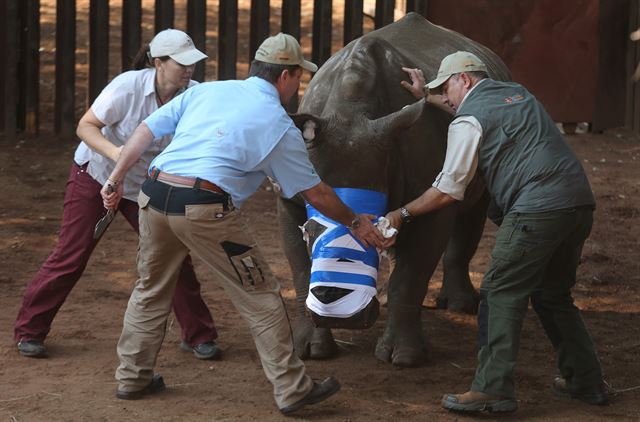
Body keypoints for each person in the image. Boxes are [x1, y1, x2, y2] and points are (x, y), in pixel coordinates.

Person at [100, 32, 387, 413]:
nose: (298, 85)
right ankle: (292, 389)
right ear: (285, 76)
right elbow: (315, 194)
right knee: (260, 295)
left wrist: (116, 177)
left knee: (150, 288)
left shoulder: (208, 91)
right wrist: (356, 222)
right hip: (204, 207)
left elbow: (146, 131)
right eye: (298, 77)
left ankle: (132, 376)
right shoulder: (279, 124)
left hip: (154, 194)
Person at [387, 51, 608, 413]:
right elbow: (477, 112)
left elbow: (448, 190)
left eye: (447, 87)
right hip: (577, 204)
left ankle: (492, 389)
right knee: (553, 294)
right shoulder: (518, 94)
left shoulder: (466, 121)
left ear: (465, 80)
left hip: (535, 208)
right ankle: (586, 381)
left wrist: (401, 214)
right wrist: (426, 96)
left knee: (499, 291)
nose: (446, 96)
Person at [14, 29, 222, 361]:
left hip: (149, 186)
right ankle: (29, 330)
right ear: (158, 63)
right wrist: (117, 160)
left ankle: (198, 335)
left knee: (173, 256)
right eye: (181, 63)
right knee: (72, 255)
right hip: (96, 174)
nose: (188, 70)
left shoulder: (194, 96)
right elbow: (85, 126)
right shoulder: (127, 87)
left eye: (192, 63)